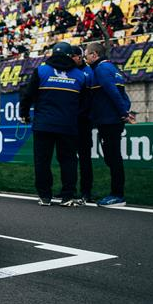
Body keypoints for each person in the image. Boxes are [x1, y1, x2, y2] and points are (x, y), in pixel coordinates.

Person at [19, 42, 89, 207]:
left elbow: (27, 95)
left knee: (42, 161)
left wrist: (24, 114)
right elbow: (85, 103)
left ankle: (45, 196)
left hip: (44, 124)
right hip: (68, 125)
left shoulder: (41, 71)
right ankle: (67, 196)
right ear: (70, 56)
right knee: (68, 161)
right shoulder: (80, 75)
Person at [85, 43, 134, 207]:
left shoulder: (101, 69)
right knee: (113, 157)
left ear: (94, 54)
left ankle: (117, 195)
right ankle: (117, 193)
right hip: (112, 119)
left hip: (109, 120)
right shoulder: (113, 68)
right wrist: (125, 111)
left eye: (87, 55)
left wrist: (123, 113)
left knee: (113, 158)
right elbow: (124, 96)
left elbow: (113, 92)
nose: (85, 58)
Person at [71, 46, 94, 203]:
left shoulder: (88, 72)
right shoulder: (69, 72)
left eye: (73, 56)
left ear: (79, 57)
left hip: (84, 121)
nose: (71, 59)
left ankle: (86, 191)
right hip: (70, 121)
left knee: (85, 158)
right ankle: (69, 189)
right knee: (68, 157)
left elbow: (91, 98)